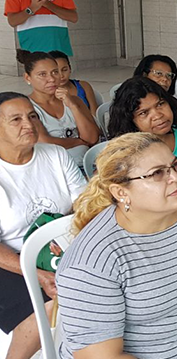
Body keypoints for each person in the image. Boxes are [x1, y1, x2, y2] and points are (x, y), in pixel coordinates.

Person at [55, 132, 177, 359]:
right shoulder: (93, 261)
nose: (176, 178)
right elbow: (104, 356)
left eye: (175, 166)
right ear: (121, 193)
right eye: (157, 173)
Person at [0, 92, 86, 359]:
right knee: (48, 305)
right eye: (16, 119)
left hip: (61, 249)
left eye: (32, 116)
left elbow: (85, 205)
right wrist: (38, 274)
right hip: (10, 259)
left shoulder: (55, 155)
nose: (29, 124)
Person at [107, 77, 177, 202]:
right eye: (144, 113)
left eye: (160, 104)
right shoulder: (126, 153)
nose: (158, 115)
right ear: (130, 120)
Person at [17, 50, 99, 168]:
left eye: (55, 72)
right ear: (27, 78)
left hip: (87, 165)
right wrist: (78, 141)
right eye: (42, 74)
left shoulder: (74, 101)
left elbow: (92, 138)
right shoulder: (26, 107)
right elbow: (43, 141)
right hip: (52, 170)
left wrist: (73, 106)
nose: (51, 79)